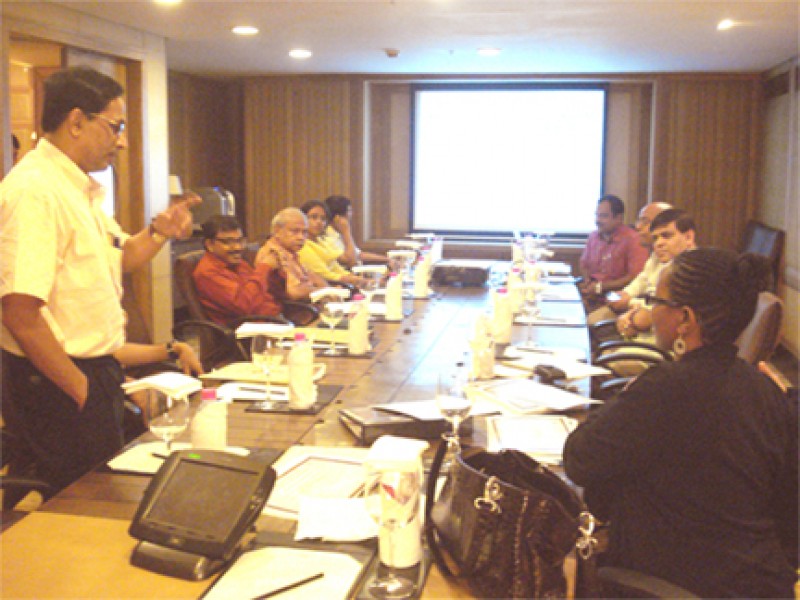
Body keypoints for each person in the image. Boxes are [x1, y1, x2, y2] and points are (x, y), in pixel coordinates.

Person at [0, 66, 198, 494]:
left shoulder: (77, 189)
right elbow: (19, 311)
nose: (121, 141)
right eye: (115, 126)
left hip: (94, 372)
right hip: (57, 381)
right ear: (76, 121)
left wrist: (160, 232)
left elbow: (120, 257)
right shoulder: (35, 191)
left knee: (106, 497)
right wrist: (80, 388)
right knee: (83, 507)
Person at [563, 248, 798, 598]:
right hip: (761, 584)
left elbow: (578, 459)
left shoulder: (665, 388)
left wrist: (627, 395)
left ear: (685, 319)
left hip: (680, 582)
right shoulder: (767, 391)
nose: (651, 310)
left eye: (655, 301)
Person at [613, 208, 697, 340]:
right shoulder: (657, 258)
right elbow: (640, 286)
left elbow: (648, 319)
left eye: (666, 236)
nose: (658, 243)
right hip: (646, 337)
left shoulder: (692, 269)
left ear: (688, 237)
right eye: (655, 238)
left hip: (666, 346)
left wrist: (631, 315)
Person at [587, 201, 672, 327]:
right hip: (628, 307)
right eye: (639, 221)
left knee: (592, 322)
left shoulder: (680, 263)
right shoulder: (655, 255)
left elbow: (661, 307)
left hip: (651, 323)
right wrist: (626, 294)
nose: (638, 226)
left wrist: (629, 302)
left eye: (645, 222)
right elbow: (641, 280)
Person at [192, 215, 282, 326]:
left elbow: (266, 292)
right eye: (228, 242)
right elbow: (244, 305)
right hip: (249, 330)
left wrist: (276, 270)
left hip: (273, 319)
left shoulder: (238, 264)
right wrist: (264, 267)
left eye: (240, 241)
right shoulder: (207, 272)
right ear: (210, 244)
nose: (237, 247)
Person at [578, 195, 648, 309]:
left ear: (619, 218)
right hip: (591, 296)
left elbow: (635, 277)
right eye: (597, 215)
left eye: (603, 216)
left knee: (588, 317)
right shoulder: (593, 237)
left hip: (617, 300)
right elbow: (584, 265)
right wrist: (588, 284)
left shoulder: (634, 240)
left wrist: (601, 287)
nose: (598, 220)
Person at [255, 207, 329, 302]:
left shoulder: (290, 251)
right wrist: (325, 292)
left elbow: (311, 276)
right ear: (277, 231)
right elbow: (294, 293)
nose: (301, 237)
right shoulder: (273, 254)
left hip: (310, 303)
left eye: (304, 232)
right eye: (295, 231)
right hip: (294, 308)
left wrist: (330, 290)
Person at [297, 200, 367, 287]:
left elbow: (336, 267)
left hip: (341, 283)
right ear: (302, 219)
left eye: (323, 219)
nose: (319, 222)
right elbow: (325, 275)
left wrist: (358, 279)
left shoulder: (321, 241)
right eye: (314, 217)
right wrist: (358, 280)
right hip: (328, 287)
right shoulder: (302, 245)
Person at [324, 195, 391, 267]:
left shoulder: (338, 233)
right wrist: (346, 231)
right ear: (337, 218)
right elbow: (351, 261)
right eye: (349, 211)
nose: (351, 214)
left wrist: (387, 259)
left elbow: (359, 255)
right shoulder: (328, 238)